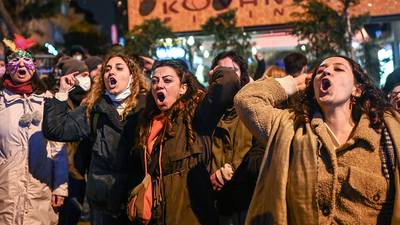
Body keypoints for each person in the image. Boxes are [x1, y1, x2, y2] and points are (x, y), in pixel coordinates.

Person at [234, 55, 400, 224]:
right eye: (320, 71)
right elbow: (246, 100)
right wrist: (296, 83)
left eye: (338, 69)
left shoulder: (384, 136)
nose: (326, 71)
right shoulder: (291, 129)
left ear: (356, 89)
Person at [42, 52, 150, 224]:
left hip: (138, 200)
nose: (111, 72)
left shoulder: (148, 107)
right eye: (107, 69)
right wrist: (62, 92)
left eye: (119, 68)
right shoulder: (94, 108)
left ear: (133, 75)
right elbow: (56, 130)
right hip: (103, 204)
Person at [133, 59, 240, 225]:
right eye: (154, 81)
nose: (159, 85)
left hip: (192, 216)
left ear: (183, 88)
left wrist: (215, 71)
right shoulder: (148, 123)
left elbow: (229, 79)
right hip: (157, 216)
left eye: (167, 80)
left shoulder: (197, 116)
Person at [0, 35, 68, 224]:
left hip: (41, 191)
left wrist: (60, 187)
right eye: (15, 61)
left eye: (27, 60)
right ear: (7, 67)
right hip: (5, 192)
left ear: (34, 66)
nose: (21, 65)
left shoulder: (48, 101)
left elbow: (58, 148)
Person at [208, 51, 265, 225]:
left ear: (243, 76)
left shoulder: (254, 110)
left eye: (234, 70)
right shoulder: (204, 112)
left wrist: (227, 172)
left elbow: (262, 150)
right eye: (222, 71)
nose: (228, 76)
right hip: (212, 205)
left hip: (246, 203)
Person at [55, 56, 92, 225]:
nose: (87, 78)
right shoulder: (59, 101)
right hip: (63, 174)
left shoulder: (90, 101)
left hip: (80, 175)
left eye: (87, 74)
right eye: (82, 74)